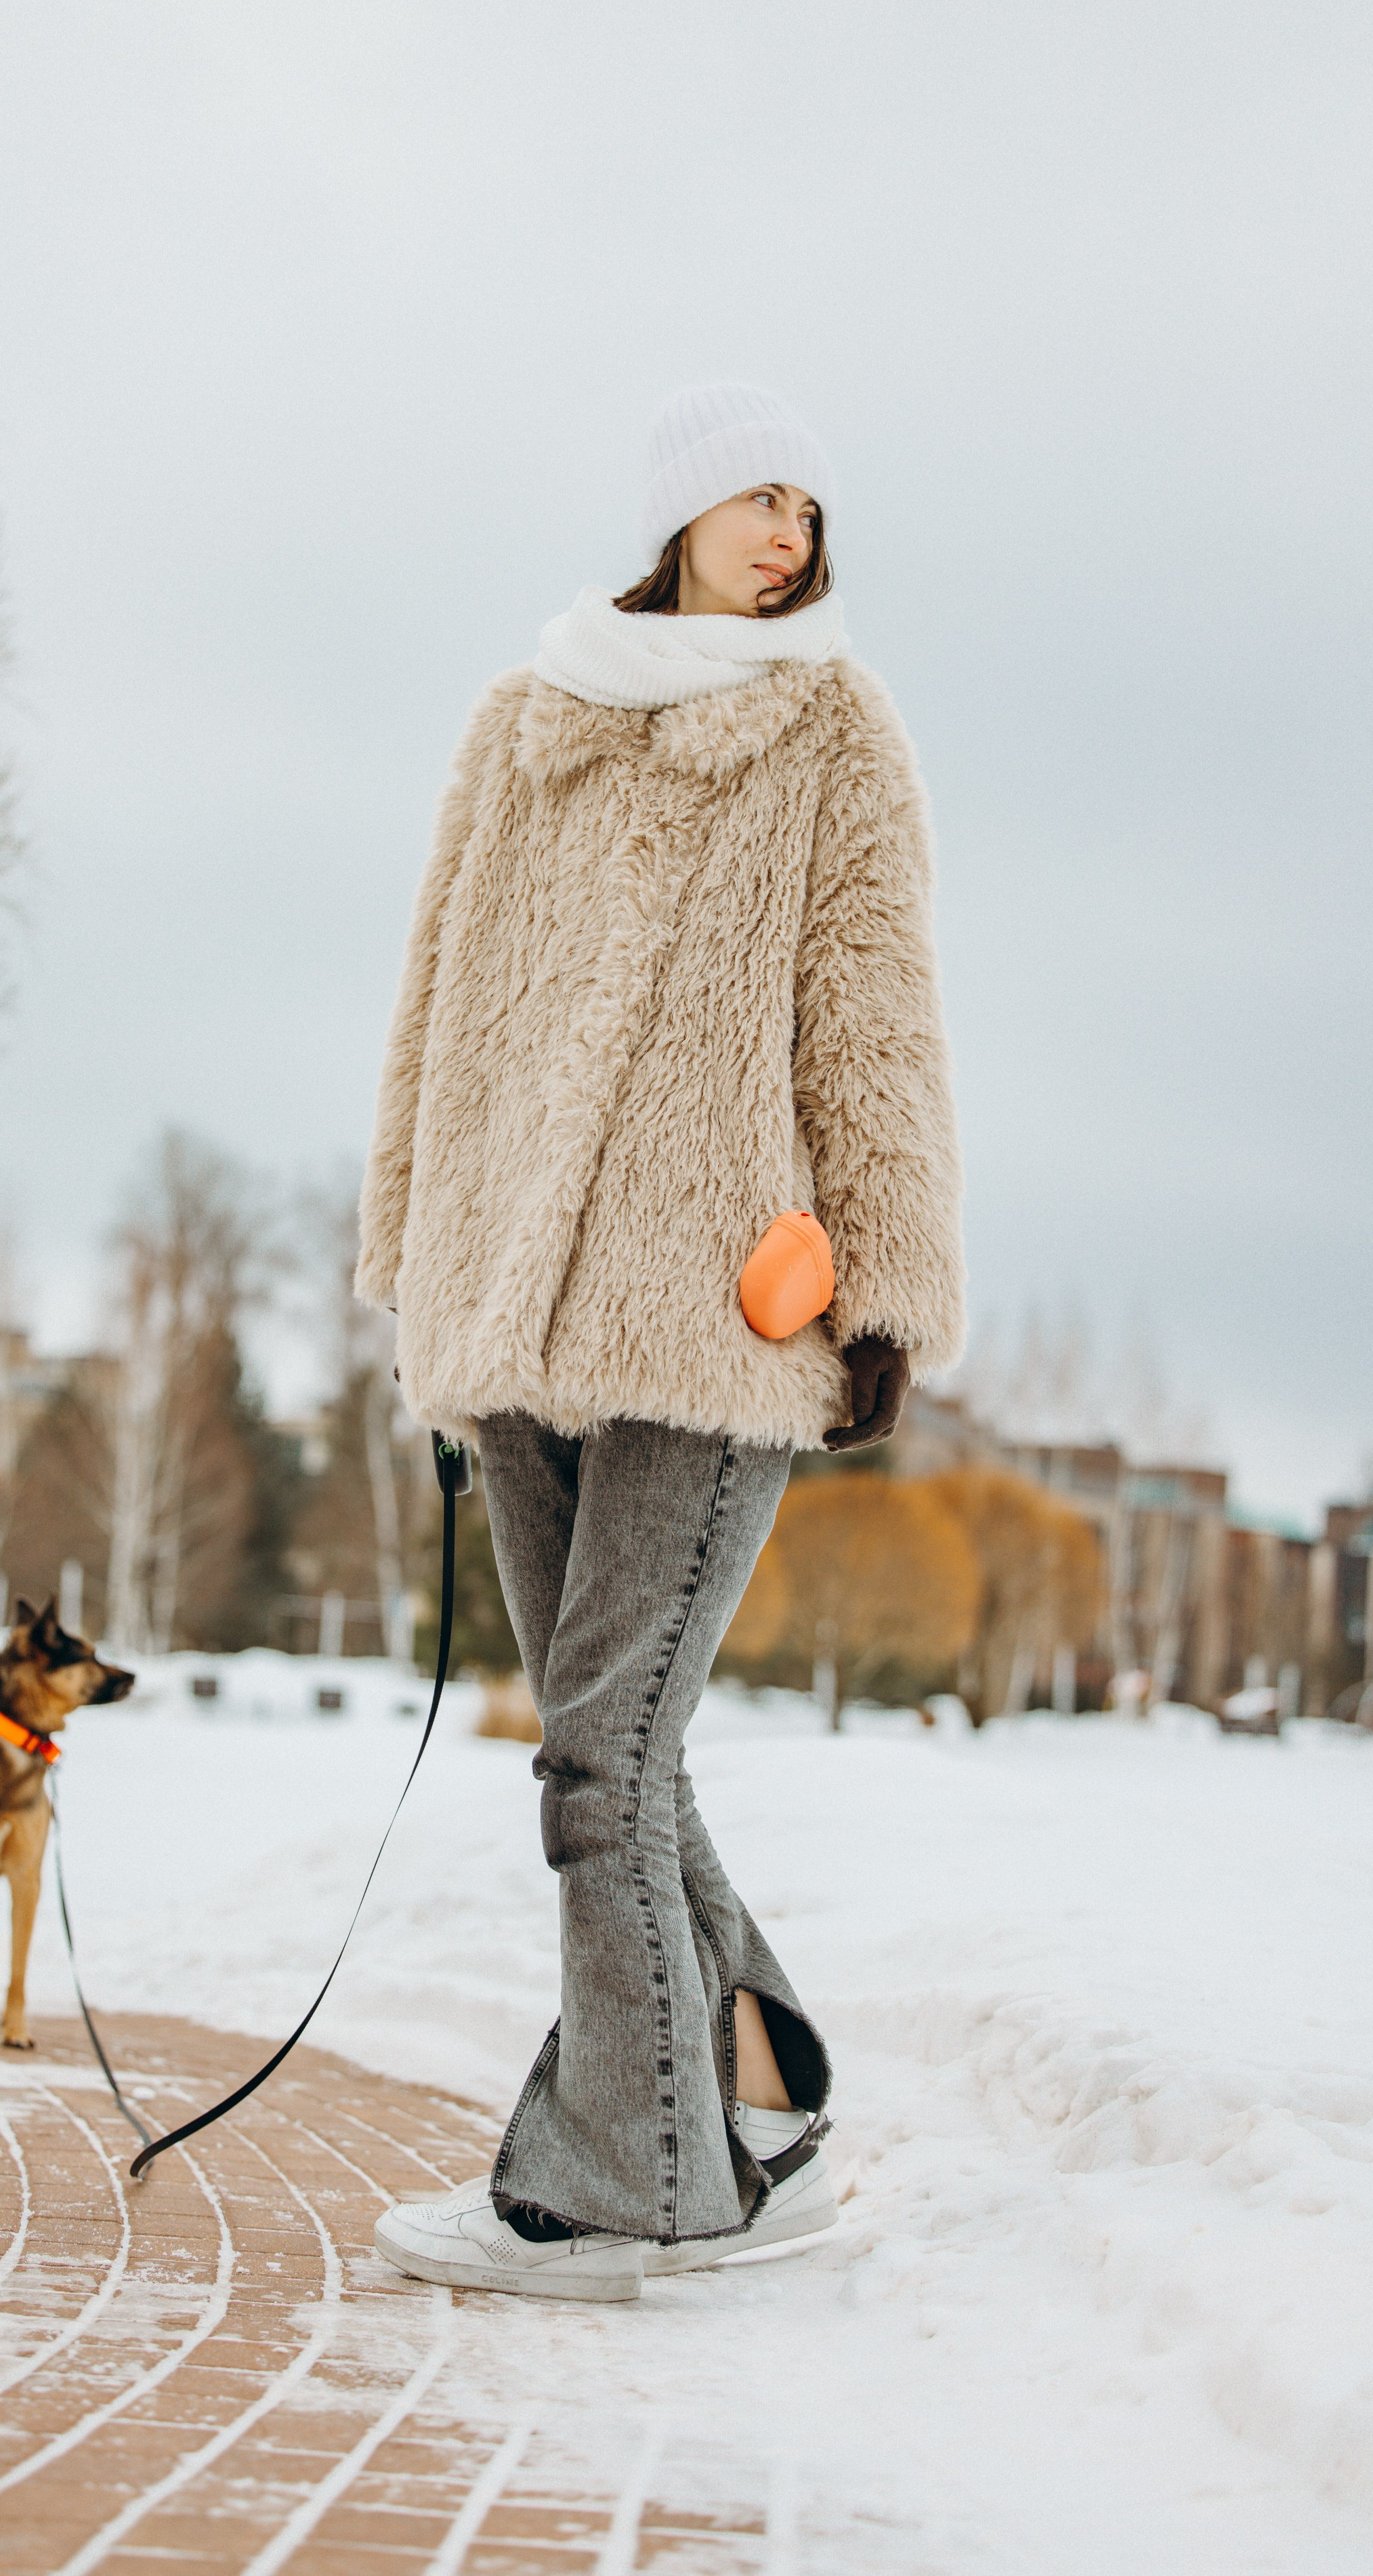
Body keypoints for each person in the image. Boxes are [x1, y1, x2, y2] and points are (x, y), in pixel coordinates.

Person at [356, 383, 965, 2302]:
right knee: (630, 1761)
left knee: (600, 1761)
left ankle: (634, 2190)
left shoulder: (835, 726)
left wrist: (886, 1286)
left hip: (719, 1316)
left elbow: (871, 1014)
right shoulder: (524, 718)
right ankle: (756, 2105)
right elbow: (437, 1002)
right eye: (754, 490)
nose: (788, 528)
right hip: (517, 1311)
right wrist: (415, 1270)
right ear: (679, 508)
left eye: (812, 501)